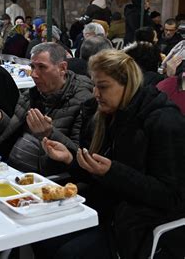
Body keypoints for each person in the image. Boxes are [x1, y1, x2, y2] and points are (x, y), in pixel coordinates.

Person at [36, 49, 185, 259]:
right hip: (106, 208)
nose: (95, 93)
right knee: (42, 237)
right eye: (94, 84)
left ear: (128, 85)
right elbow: (99, 174)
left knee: (68, 253)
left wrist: (113, 172)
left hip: (139, 223)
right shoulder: (104, 115)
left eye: (103, 86)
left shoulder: (164, 121)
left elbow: (172, 197)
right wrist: (70, 159)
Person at [0, 42, 93, 174]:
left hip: (43, 179)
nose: (33, 74)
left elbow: (78, 156)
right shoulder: (31, 94)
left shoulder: (83, 101)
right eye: (32, 67)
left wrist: (49, 134)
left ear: (62, 68)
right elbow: (14, 135)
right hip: (9, 168)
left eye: (42, 67)